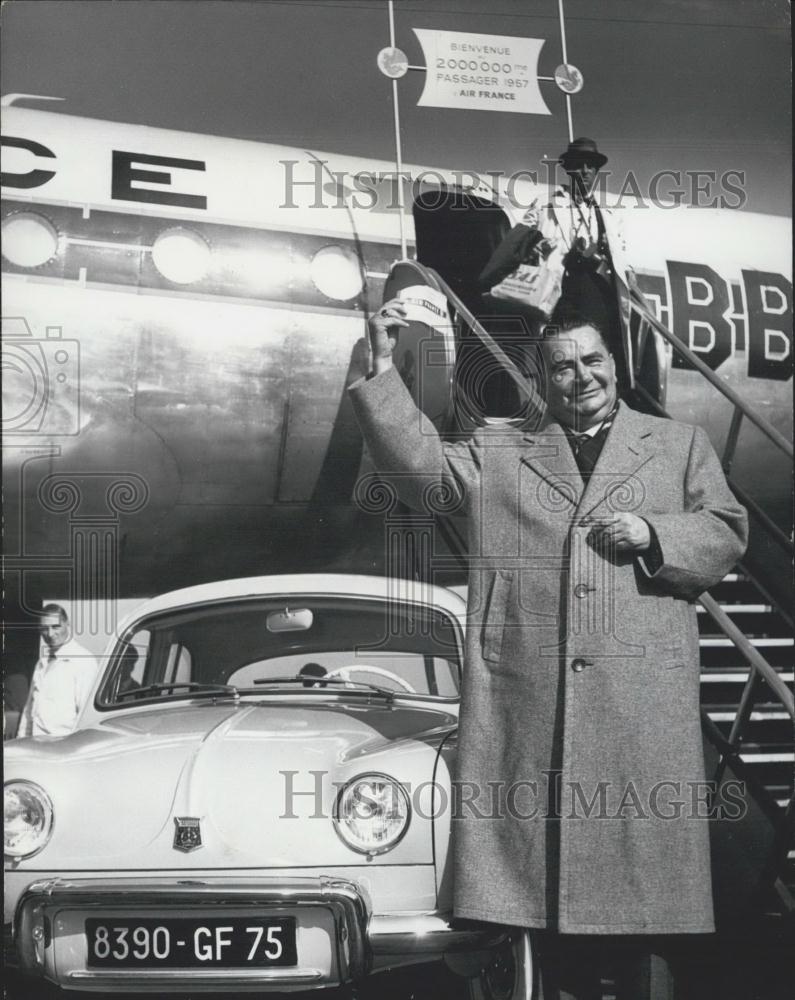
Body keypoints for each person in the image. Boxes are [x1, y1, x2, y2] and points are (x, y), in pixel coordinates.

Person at [349, 301, 748, 1000]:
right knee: (538, 908)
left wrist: (654, 533)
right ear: (542, 379)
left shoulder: (679, 443)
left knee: (641, 913)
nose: (580, 376)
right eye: (561, 366)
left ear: (614, 365)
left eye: (592, 360)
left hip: (637, 711)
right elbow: (421, 472)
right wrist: (382, 373)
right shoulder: (499, 451)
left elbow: (724, 531)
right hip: (535, 707)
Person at [478, 137, 622, 339]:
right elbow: (517, 241)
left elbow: (621, 264)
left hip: (589, 296)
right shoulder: (544, 203)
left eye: (591, 165)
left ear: (597, 170)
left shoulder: (607, 217)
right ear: (569, 168)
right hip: (552, 292)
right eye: (579, 164)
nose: (585, 170)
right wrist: (533, 247)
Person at [17, 604, 100, 738]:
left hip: (63, 747)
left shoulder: (83, 661)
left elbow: (87, 716)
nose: (50, 634)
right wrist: (22, 742)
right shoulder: (41, 663)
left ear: (67, 624)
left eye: (55, 627)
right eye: (44, 628)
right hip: (35, 745)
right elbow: (28, 711)